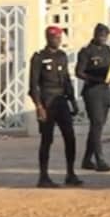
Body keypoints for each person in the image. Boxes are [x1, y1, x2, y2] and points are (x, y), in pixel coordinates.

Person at [29, 26, 82, 188]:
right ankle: (43, 176)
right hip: (47, 101)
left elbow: (66, 80)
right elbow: (33, 85)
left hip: (61, 101)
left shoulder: (62, 56)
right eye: (55, 38)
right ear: (48, 38)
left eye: (59, 38)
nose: (58, 41)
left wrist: (73, 101)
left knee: (70, 137)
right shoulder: (39, 58)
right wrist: (39, 106)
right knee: (47, 139)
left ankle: (70, 173)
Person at [76, 23, 110, 172]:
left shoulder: (107, 50)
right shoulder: (86, 51)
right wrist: (94, 78)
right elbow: (79, 72)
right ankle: (100, 160)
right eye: (101, 35)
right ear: (95, 34)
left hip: (105, 90)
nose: (103, 38)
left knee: (98, 125)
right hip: (92, 91)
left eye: (106, 36)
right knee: (96, 123)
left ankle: (87, 159)